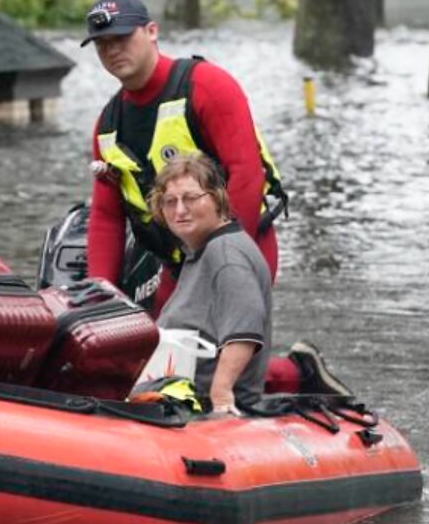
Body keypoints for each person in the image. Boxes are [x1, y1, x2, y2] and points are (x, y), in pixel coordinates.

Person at [81, 0, 287, 316]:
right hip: (176, 263)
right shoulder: (107, 126)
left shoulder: (207, 86)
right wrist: (99, 297)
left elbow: (246, 175)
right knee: (164, 361)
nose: (112, 49)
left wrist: (225, 262)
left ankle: (296, 369)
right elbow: (107, 217)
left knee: (222, 359)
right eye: (101, 43)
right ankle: (301, 368)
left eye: (122, 37)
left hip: (242, 247)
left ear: (152, 31)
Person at [148, 153, 349, 415]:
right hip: (175, 395)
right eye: (170, 202)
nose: (180, 210)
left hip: (202, 407)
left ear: (217, 198)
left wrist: (221, 396)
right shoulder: (206, 250)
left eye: (191, 198)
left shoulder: (227, 256)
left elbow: (245, 327)